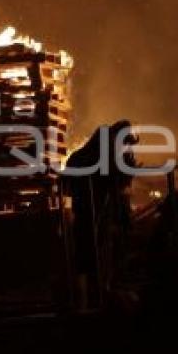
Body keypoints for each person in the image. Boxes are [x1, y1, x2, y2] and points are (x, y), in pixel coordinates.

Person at [65, 120, 137, 311]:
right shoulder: (107, 158)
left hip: (83, 213)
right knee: (101, 255)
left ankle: (83, 303)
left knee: (83, 258)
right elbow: (120, 185)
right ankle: (100, 299)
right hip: (101, 214)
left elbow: (66, 186)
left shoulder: (78, 157)